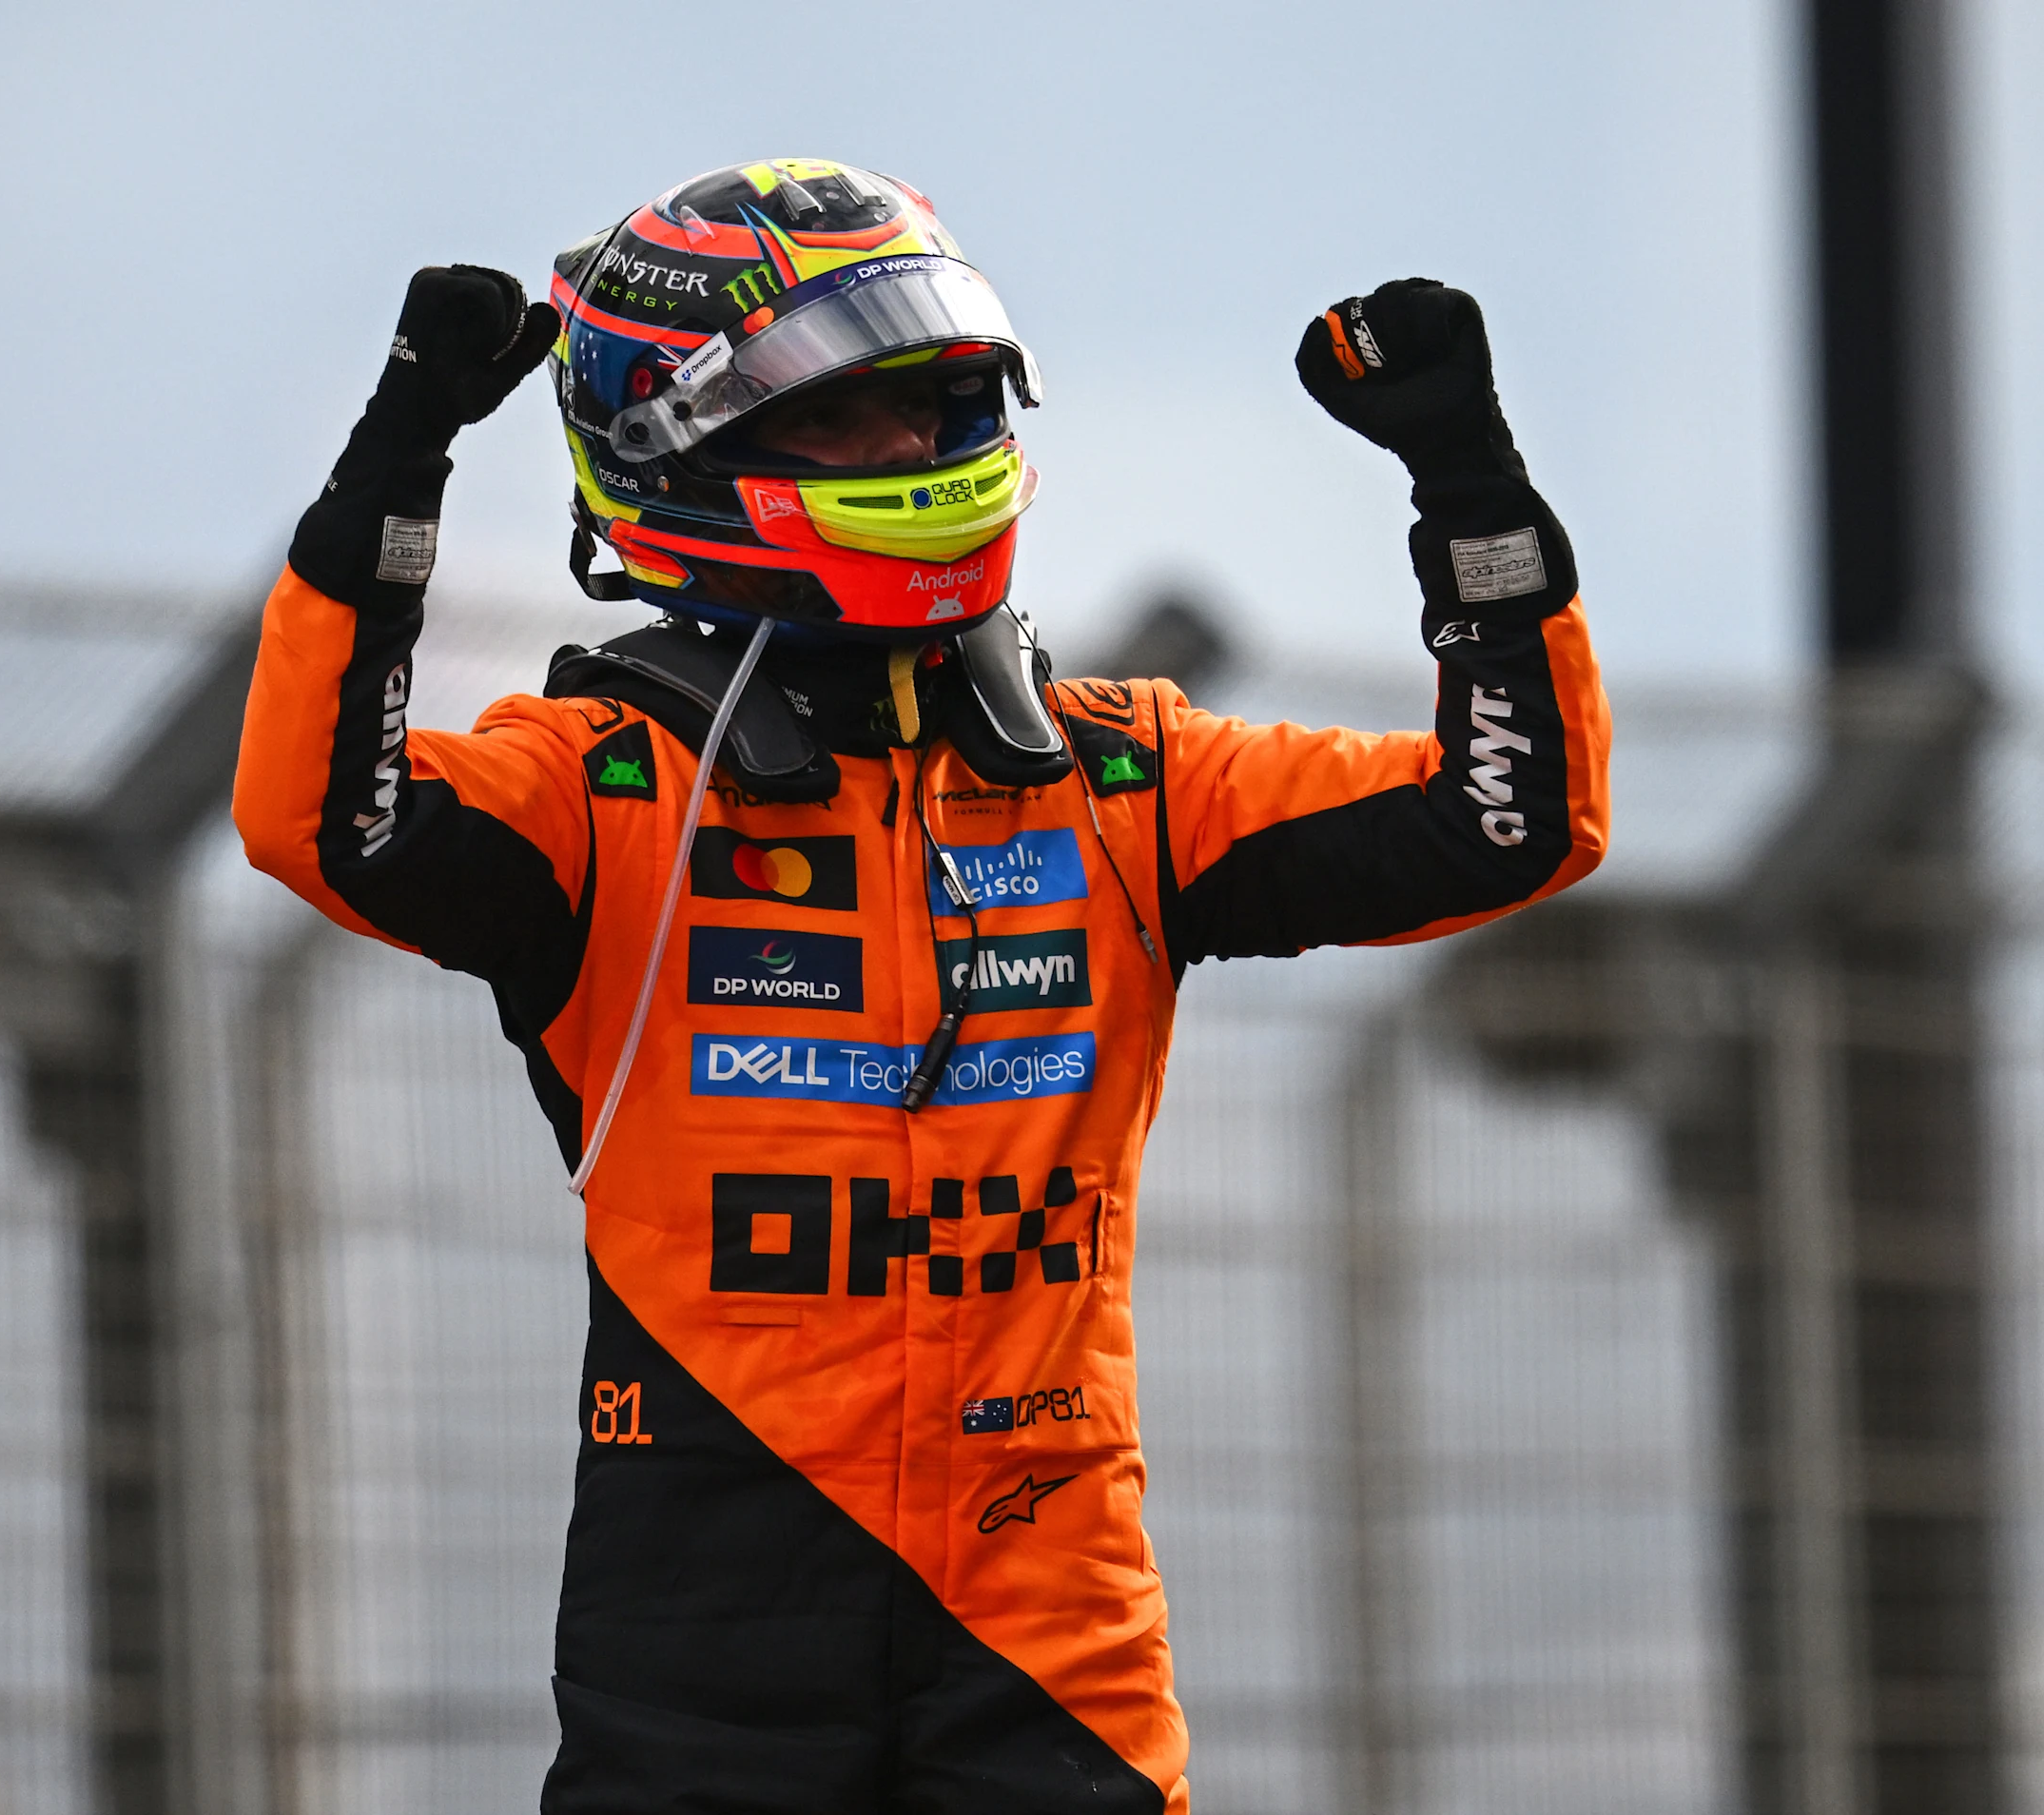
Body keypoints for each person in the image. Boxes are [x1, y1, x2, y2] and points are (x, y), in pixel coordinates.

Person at [234, 157, 1609, 1814]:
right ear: (686, 447)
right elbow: (323, 823)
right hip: (704, 1627)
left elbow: (1508, 819)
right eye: (843, 421)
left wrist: (1465, 482)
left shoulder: (1123, 779)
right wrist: (400, 464)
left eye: (935, 402)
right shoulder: (602, 794)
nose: (907, 453)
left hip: (1047, 1619)